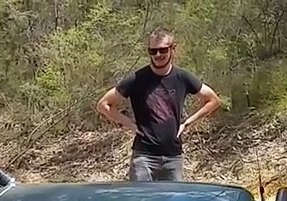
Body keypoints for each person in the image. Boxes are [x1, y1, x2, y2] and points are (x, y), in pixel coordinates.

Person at [95, 29, 222, 182]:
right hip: (143, 158)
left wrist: (187, 123)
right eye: (153, 51)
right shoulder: (137, 79)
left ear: (172, 49)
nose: (158, 55)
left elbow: (213, 100)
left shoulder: (182, 77)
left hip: (173, 157)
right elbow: (104, 105)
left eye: (163, 50)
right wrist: (131, 125)